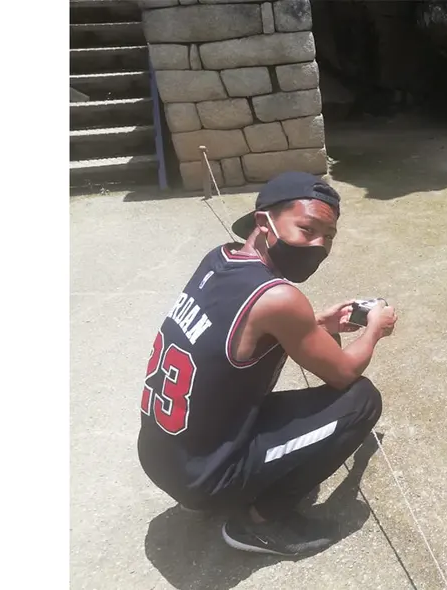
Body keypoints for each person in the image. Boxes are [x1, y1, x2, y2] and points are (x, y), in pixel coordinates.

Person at [136, 171, 397, 556]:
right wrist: (374, 329)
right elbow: (342, 373)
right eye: (308, 228)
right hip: (203, 476)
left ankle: (215, 489)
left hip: (162, 453)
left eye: (329, 237)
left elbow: (237, 334)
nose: (319, 245)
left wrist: (318, 325)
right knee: (362, 400)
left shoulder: (218, 259)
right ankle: (259, 523)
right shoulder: (278, 298)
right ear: (264, 221)